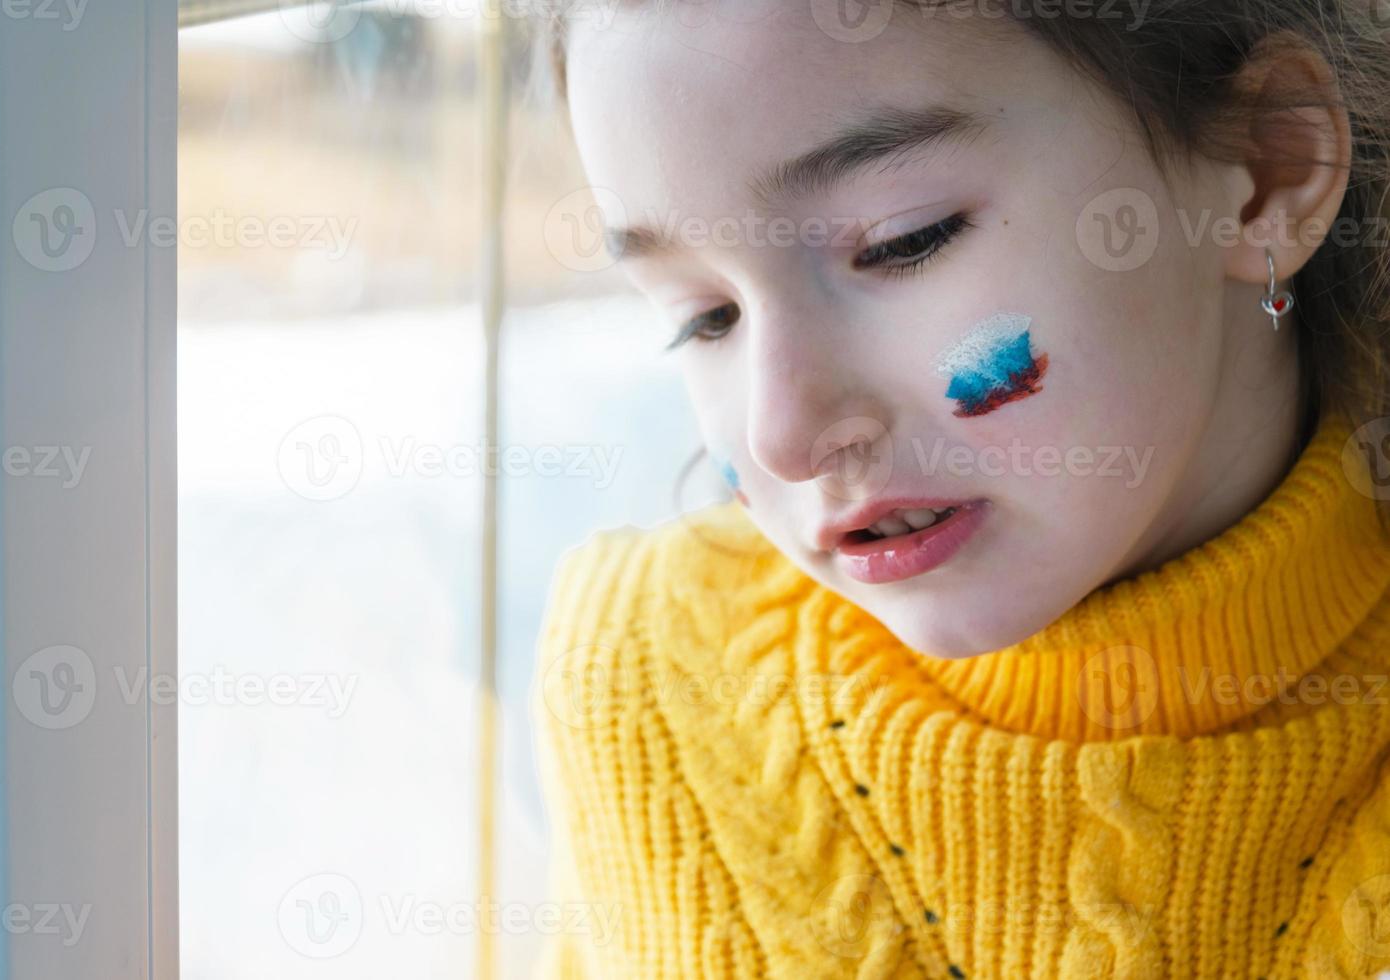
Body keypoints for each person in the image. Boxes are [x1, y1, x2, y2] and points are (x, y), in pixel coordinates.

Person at [529, 1, 1390, 975]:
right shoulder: (648, 678)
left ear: (1267, 172)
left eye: (903, 241)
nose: (785, 434)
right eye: (706, 317)